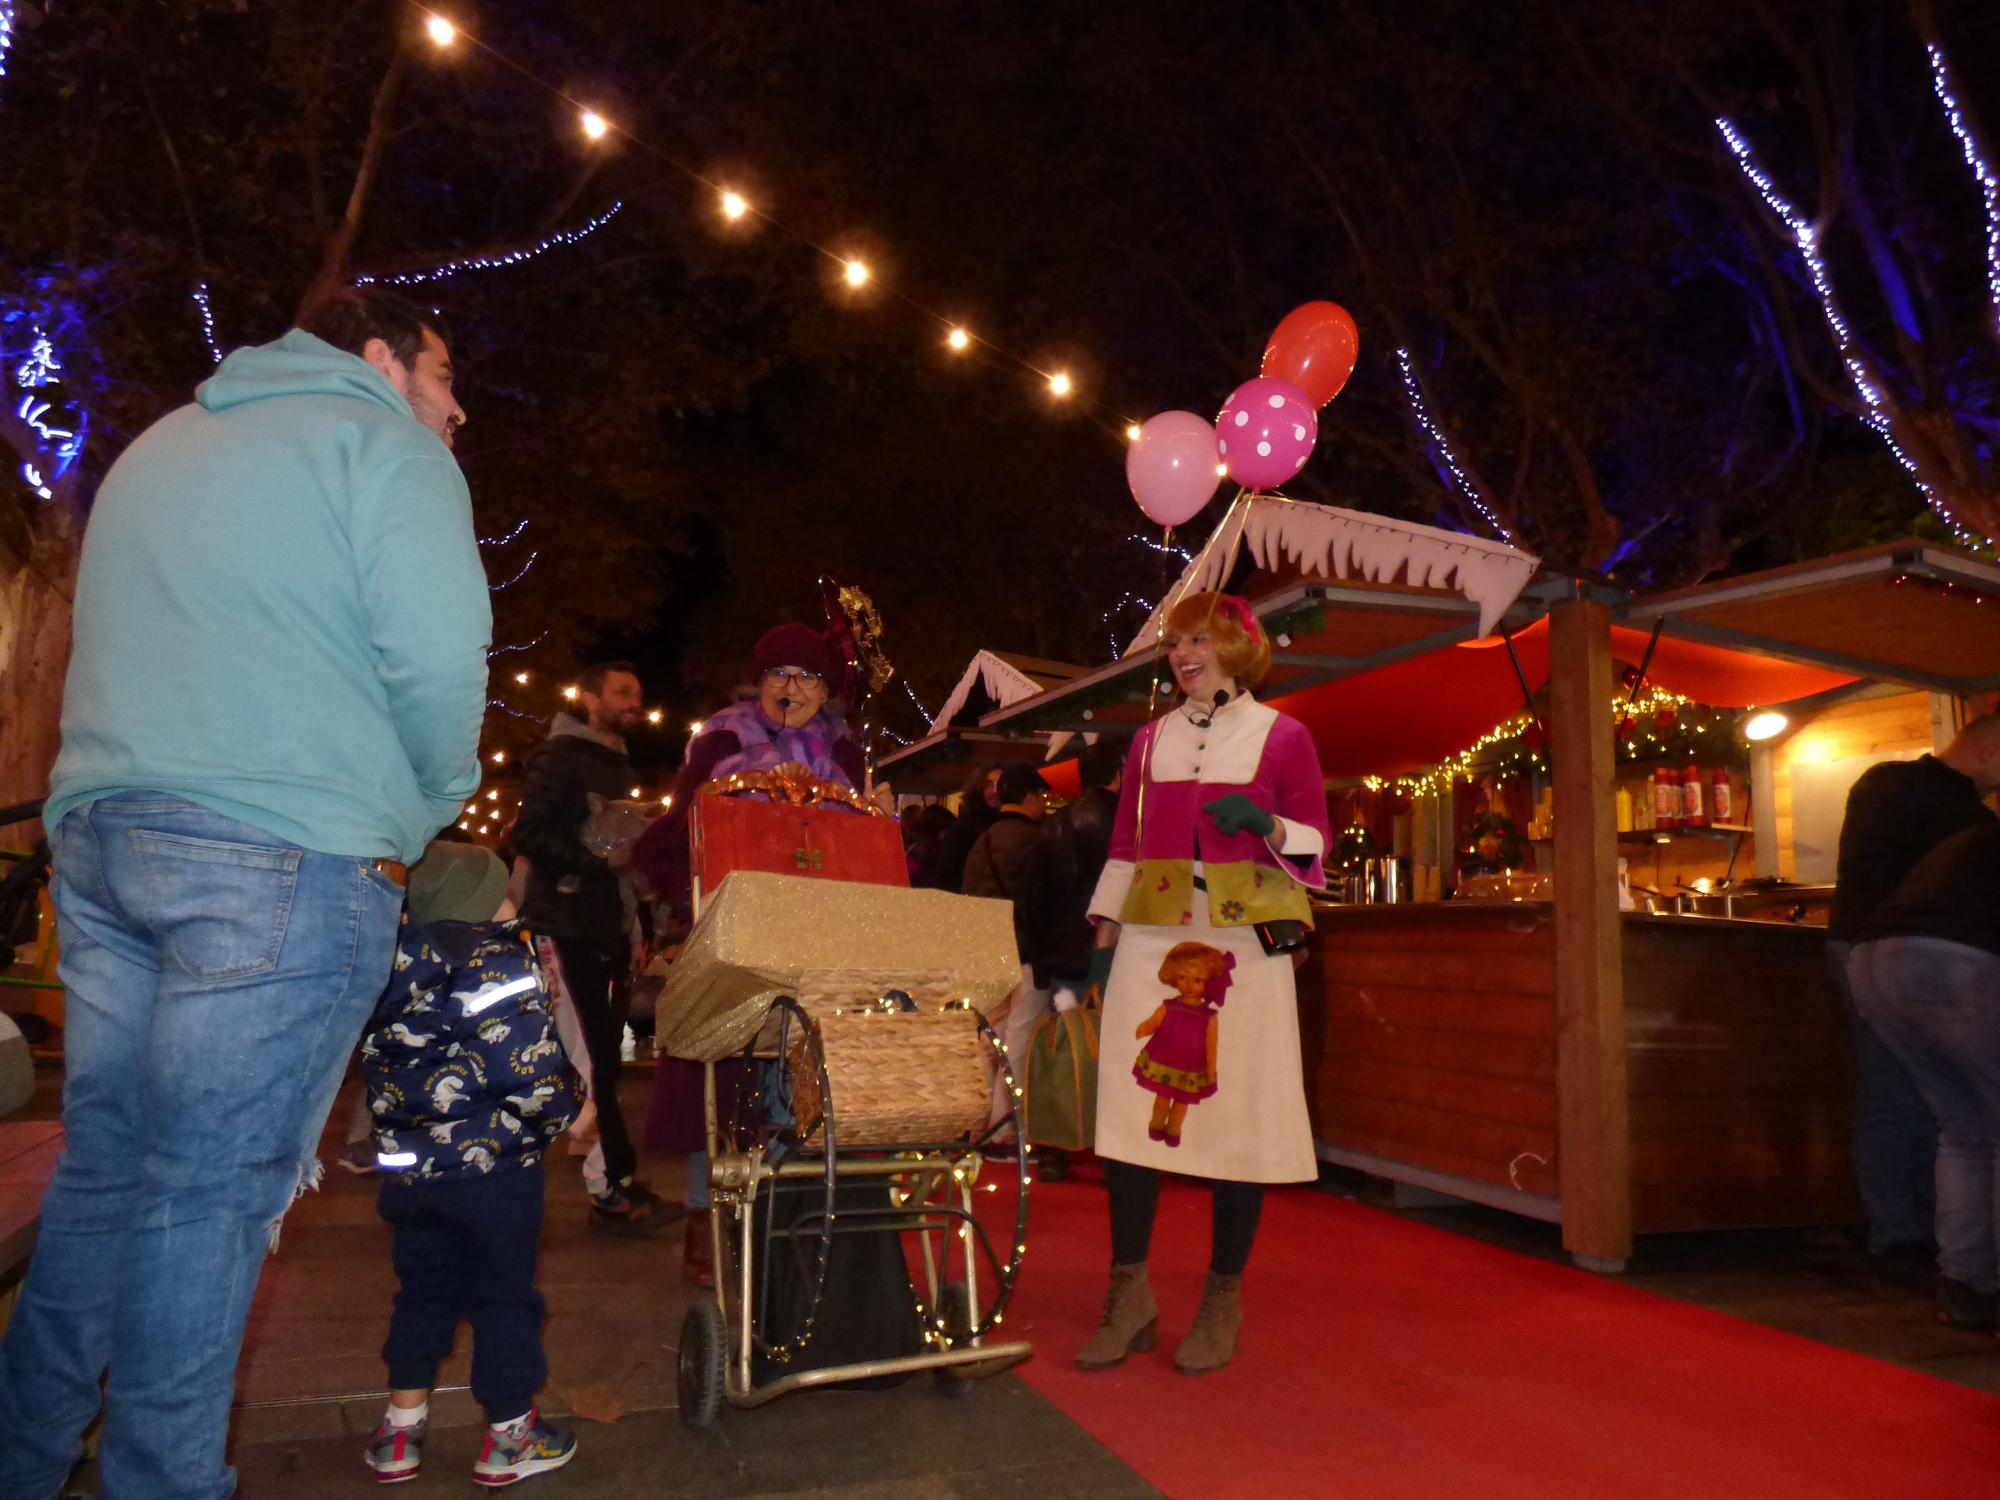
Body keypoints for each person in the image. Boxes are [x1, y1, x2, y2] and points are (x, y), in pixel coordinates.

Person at [0, 285, 489, 1500]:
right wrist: (425, 805)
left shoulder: (160, 445)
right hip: (281, 846)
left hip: (109, 837)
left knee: (110, 1166)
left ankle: (21, 1455)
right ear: (381, 360)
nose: (456, 406)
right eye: (442, 376)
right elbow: (436, 659)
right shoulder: (386, 448)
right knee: (206, 1198)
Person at [1073, 591, 1330, 1377]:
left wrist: (1268, 827)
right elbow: (1124, 841)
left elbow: (1317, 840)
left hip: (1243, 945)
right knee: (1127, 1114)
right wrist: (1104, 938)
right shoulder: (1148, 740)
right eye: (1176, 642)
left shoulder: (1284, 736)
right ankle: (1129, 1294)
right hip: (1153, 934)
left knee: (1240, 1115)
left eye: (1201, 641)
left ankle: (1223, 1297)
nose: (1184, 654)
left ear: (1238, 648)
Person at [632, 623, 864, 1284]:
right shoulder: (722, 737)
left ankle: (789, 1209)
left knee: (796, 1068)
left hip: (816, 926)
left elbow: (863, 833)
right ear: (757, 682)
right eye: (779, 675)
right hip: (736, 922)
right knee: (724, 1072)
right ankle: (707, 1221)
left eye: (807, 677)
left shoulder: (842, 747)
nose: (792, 689)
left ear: (825, 688)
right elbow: (680, 824)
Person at [360, 843, 582, 1488]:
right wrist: (573, 1112)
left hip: (410, 1176)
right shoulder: (494, 961)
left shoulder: (386, 964)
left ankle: (400, 1433)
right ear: (485, 900)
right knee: (503, 1295)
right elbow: (525, 1067)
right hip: (492, 1173)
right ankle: (512, 1435)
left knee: (422, 1292)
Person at [1828, 717, 2000, 1269]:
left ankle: (1914, 1241)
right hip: (1937, 955)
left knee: (1906, 1103)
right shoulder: (1968, 817)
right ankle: (1937, 1246)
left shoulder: (1882, 782)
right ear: (1990, 749)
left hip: (1862, 948)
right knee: (1954, 1114)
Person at [514, 660, 671, 1233]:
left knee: (598, 1060)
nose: (635, 701)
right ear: (589, 697)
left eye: (639, 692)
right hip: (565, 924)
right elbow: (528, 831)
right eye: (623, 692)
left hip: (594, 927)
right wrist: (598, 863)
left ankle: (615, 1182)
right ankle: (607, 1187)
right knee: (590, 1061)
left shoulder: (610, 761)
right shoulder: (561, 757)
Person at [1846, 820, 2000, 1332]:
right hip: (1954, 959)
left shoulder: (1973, 840)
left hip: (1874, 960)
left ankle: (1965, 1287)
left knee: (1965, 1132)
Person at [1024, 738, 1125, 1179]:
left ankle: (1055, 1147)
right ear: (1119, 774)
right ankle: (1112, 1150)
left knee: (1062, 1048)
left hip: (1063, 955)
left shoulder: (1053, 825)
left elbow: (1031, 900)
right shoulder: (1128, 824)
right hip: (1114, 953)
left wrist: (1041, 958)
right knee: (1115, 1049)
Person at [962, 764, 1052, 1129]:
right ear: (1029, 797)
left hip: (987, 951)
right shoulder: (1036, 841)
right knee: (1018, 1042)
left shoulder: (981, 841)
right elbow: (1040, 901)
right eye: (1042, 796)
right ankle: (1004, 1129)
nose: (1045, 804)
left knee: (988, 1040)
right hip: (1026, 952)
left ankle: (976, 1123)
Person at [933, 764, 1002, 893]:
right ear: (978, 787)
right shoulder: (961, 830)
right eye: (989, 784)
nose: (995, 790)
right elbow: (945, 877)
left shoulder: (1009, 827)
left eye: (1000, 785)